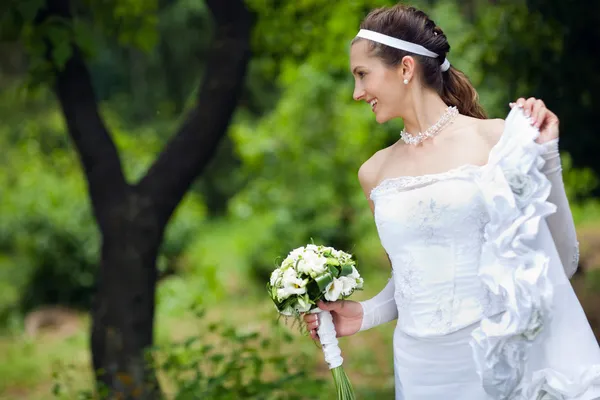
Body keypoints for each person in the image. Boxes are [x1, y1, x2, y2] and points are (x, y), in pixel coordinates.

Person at [302, 3, 600, 399]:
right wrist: (364, 314)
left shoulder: (495, 140)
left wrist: (546, 159)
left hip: (491, 360)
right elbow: (409, 280)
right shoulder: (373, 173)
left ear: (405, 68)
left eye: (362, 75)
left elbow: (561, 260)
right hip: (418, 368)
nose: (357, 93)